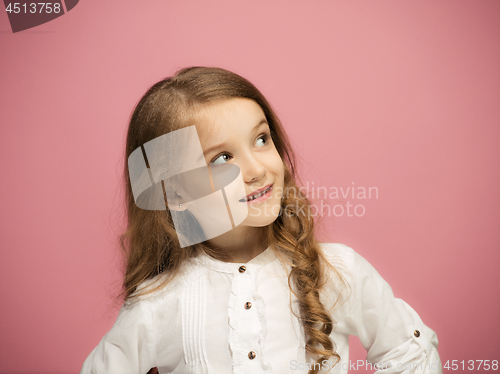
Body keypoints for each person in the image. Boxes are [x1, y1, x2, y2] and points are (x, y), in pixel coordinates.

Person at [79, 67, 442, 374]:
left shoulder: (335, 270)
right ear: (174, 193)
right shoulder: (158, 302)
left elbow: (409, 351)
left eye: (261, 139)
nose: (256, 169)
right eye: (221, 158)